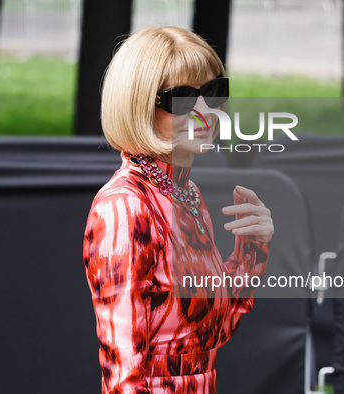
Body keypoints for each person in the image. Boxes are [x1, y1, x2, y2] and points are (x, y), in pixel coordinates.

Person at [83, 26, 274, 394]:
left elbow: (209, 334)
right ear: (138, 104)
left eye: (214, 93)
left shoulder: (184, 193)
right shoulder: (125, 207)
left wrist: (251, 250)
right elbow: (123, 370)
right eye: (182, 98)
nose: (205, 112)